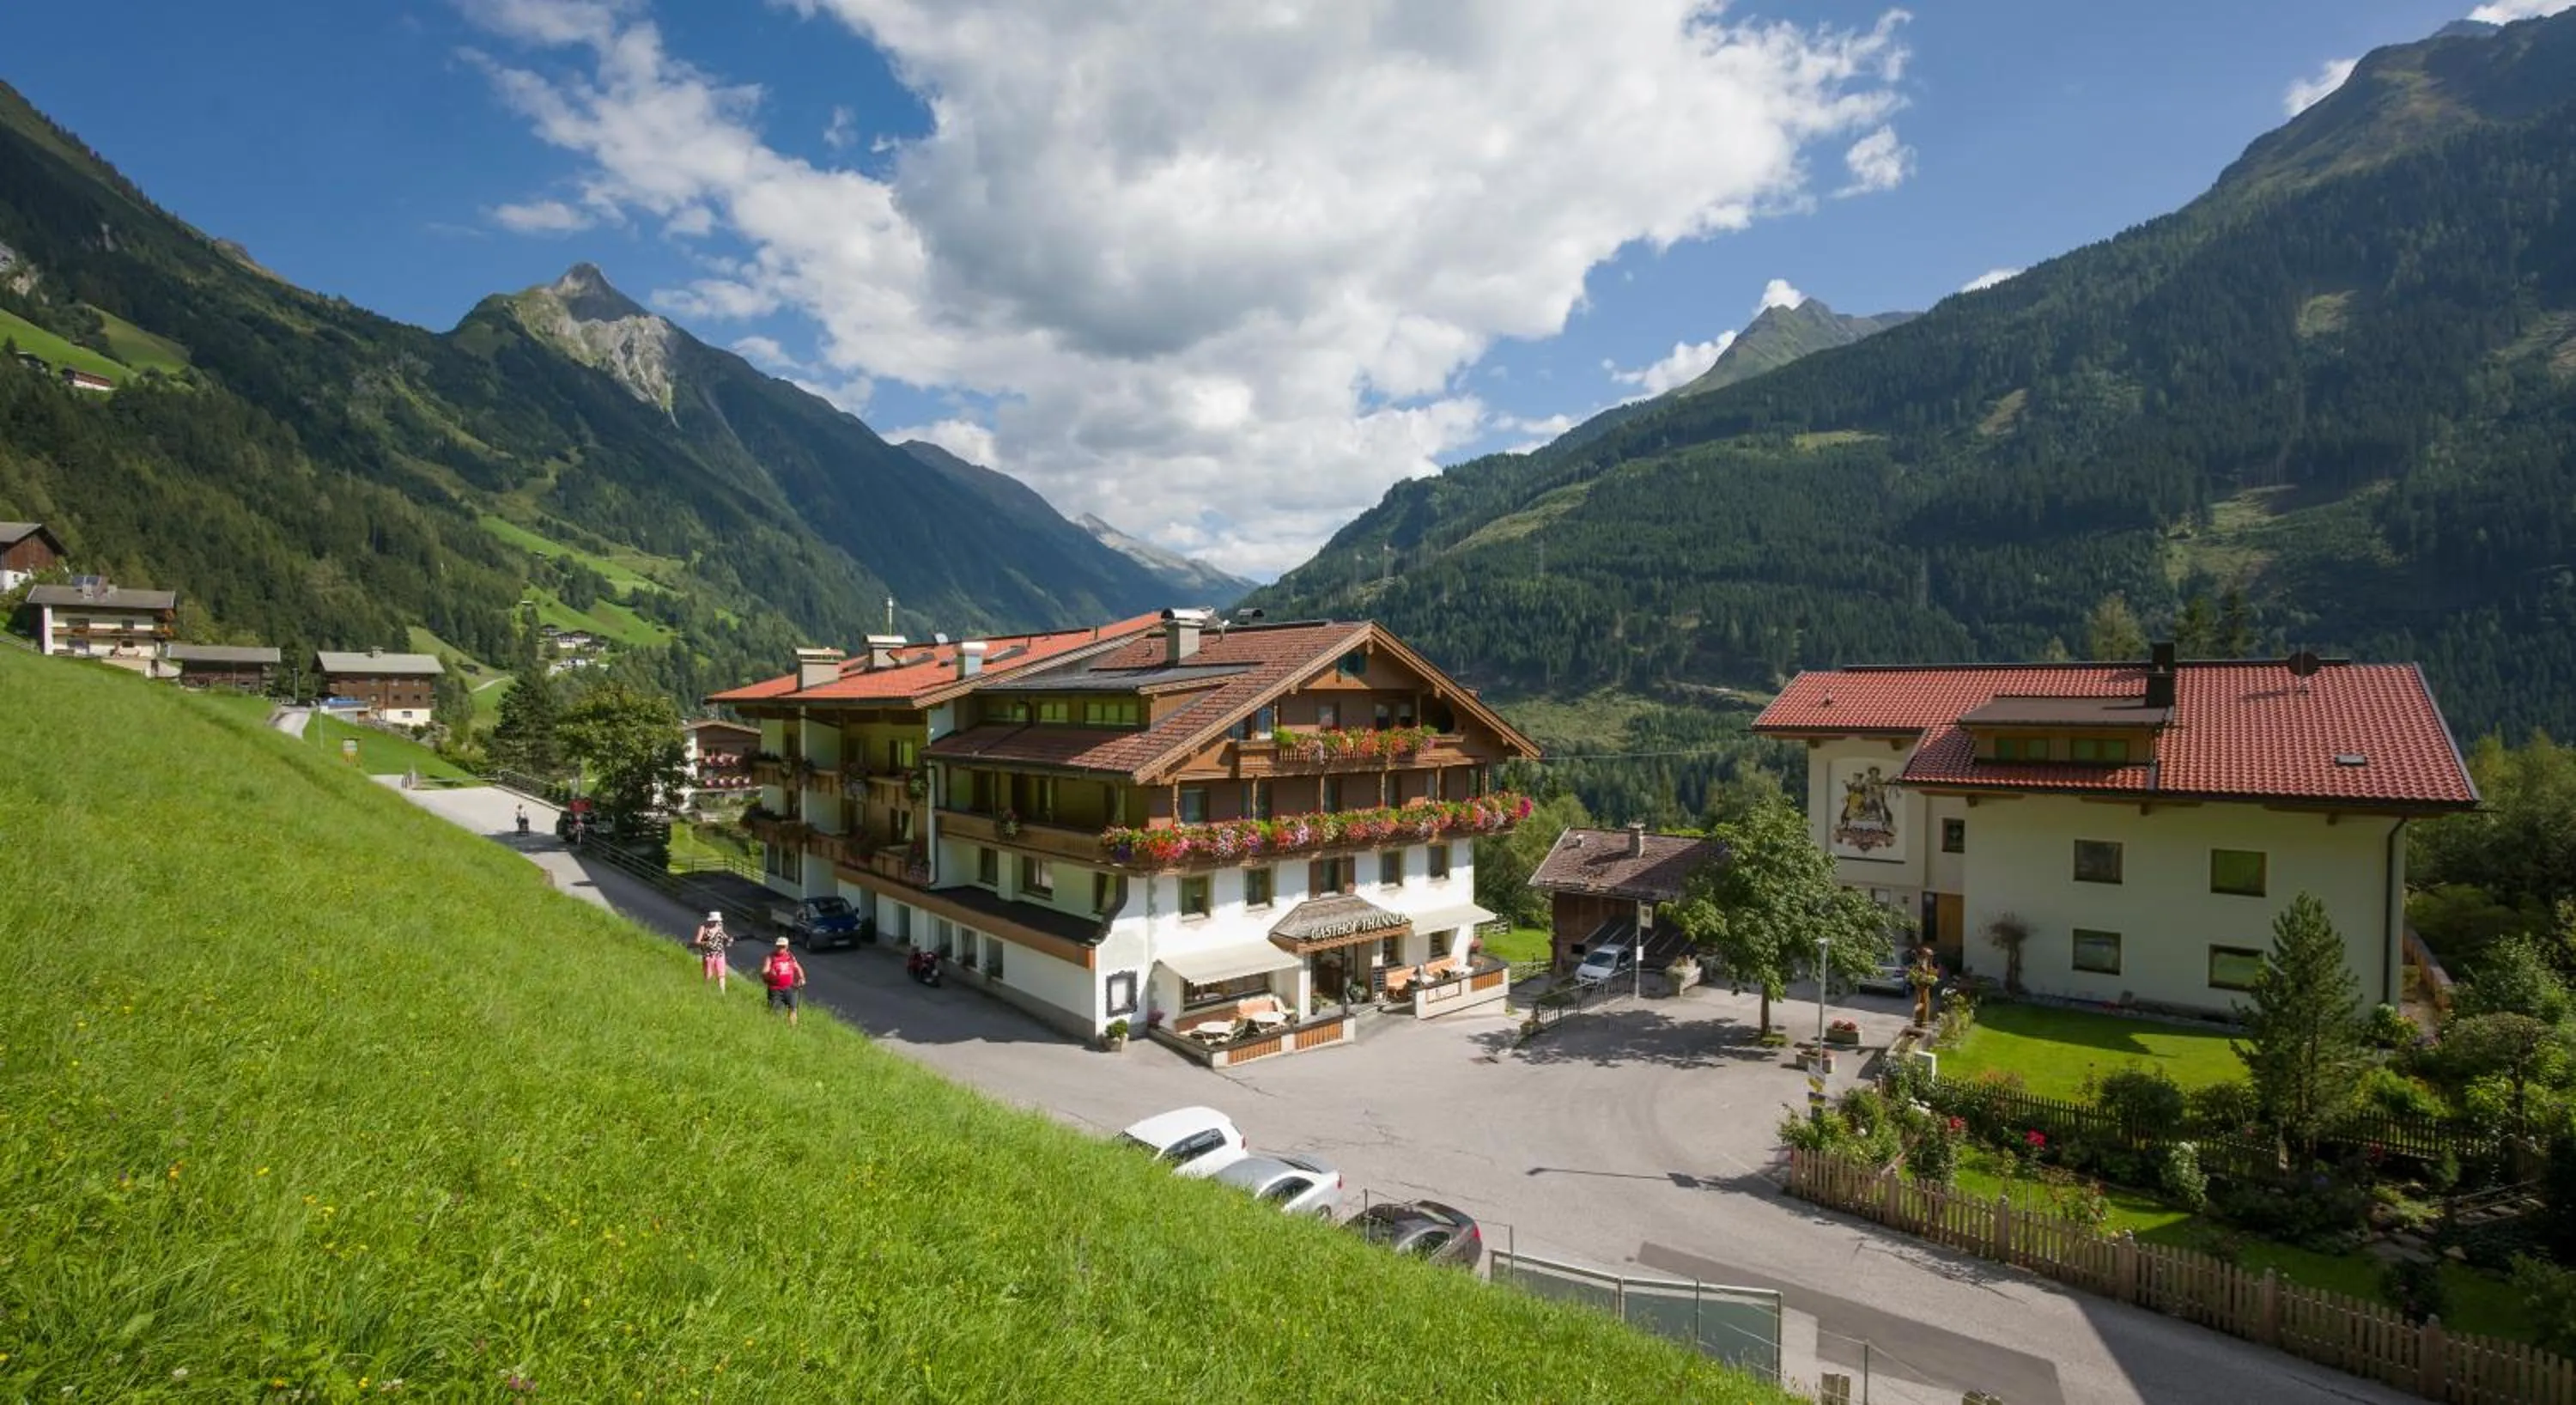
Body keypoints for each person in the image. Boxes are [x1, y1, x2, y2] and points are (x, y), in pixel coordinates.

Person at [762, 937, 806, 1025]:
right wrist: (770, 973)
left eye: (783, 947)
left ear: (787, 947)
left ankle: (792, 1028)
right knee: (775, 1012)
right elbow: (764, 971)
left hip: (790, 987)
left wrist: (802, 978)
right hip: (775, 989)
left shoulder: (790, 956)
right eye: (779, 946)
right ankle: (775, 1028)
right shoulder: (771, 957)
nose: (780, 949)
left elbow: (797, 967)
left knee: (793, 1008)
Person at [692, 910, 732, 992]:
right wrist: (706, 943)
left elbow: (723, 936)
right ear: (710, 920)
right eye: (714, 921)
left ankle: (722, 994)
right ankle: (706, 990)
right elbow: (697, 942)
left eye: (717, 921)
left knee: (721, 974)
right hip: (708, 954)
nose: (716, 923)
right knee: (708, 975)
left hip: (720, 953)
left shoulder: (720, 926)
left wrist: (728, 939)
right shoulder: (703, 928)